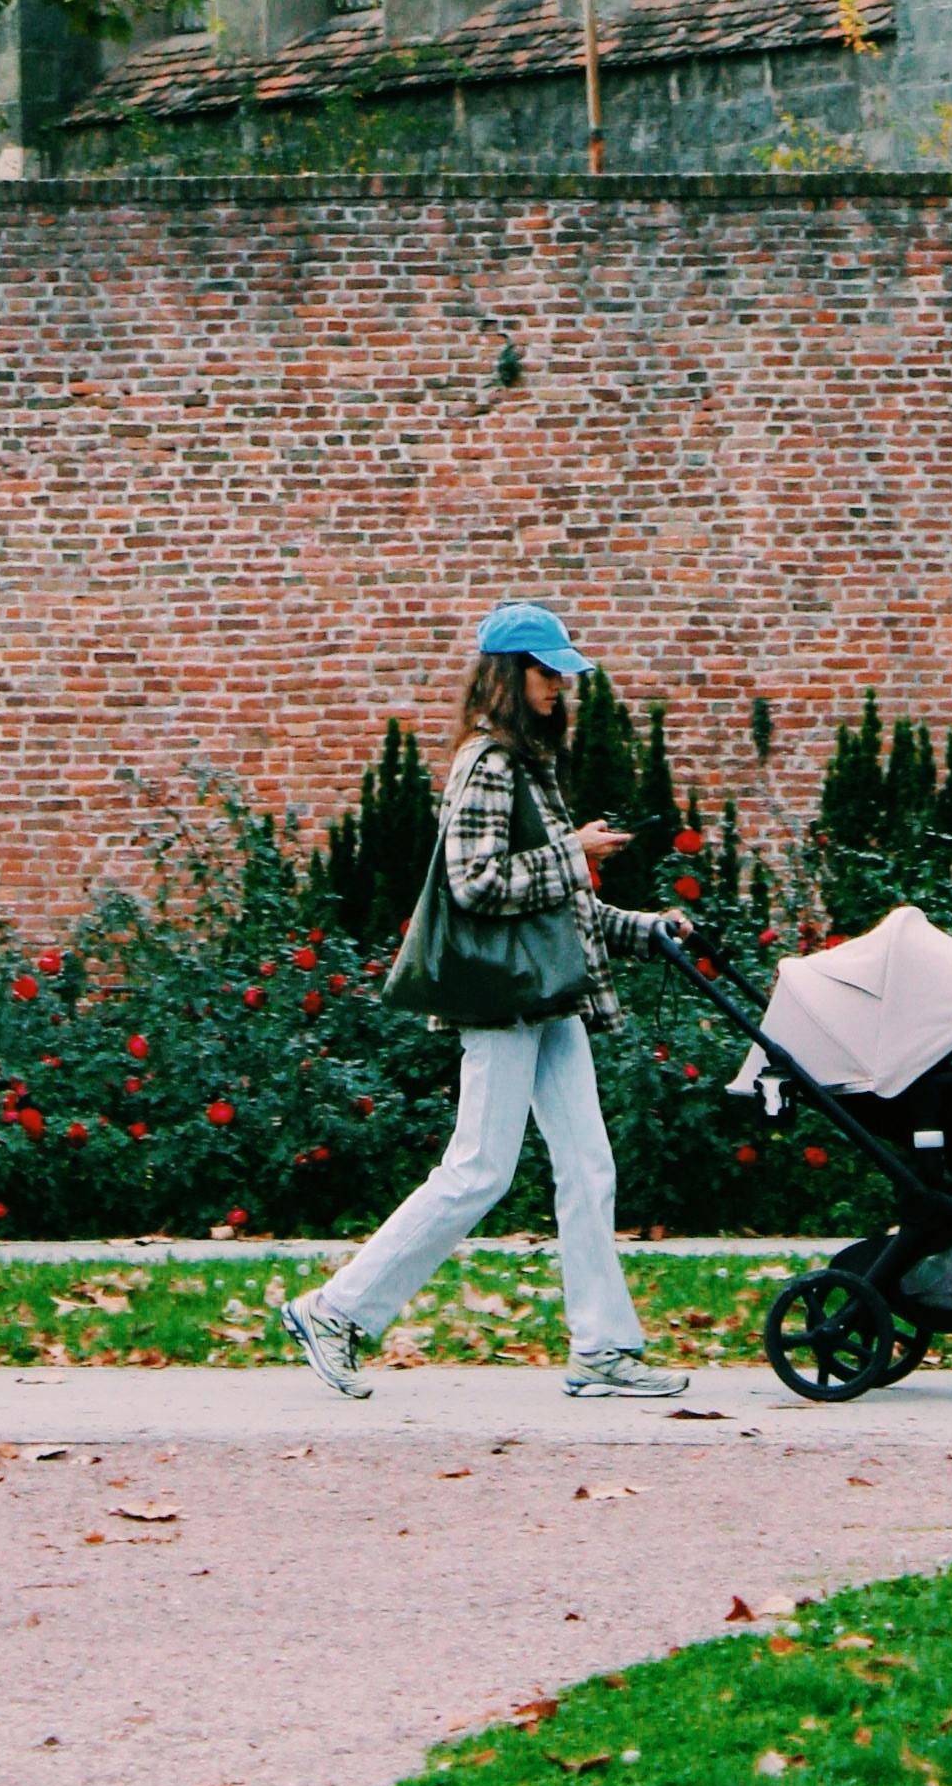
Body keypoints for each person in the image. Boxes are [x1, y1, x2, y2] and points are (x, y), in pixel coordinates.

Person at [279, 602, 687, 1404]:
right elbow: (478, 884)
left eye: (562, 673)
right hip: (505, 1000)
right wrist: (573, 852)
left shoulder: (532, 766)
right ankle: (335, 1310)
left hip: (547, 995)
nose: (560, 687)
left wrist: (648, 929)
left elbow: (560, 911)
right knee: (478, 1171)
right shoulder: (489, 764)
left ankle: (603, 1349)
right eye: (547, 672)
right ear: (509, 675)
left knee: (587, 1167)